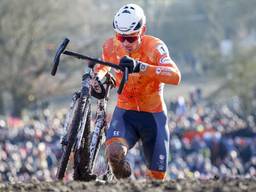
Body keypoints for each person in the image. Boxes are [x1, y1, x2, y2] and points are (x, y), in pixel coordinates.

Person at [94, 3, 181, 180]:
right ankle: (125, 181)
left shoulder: (155, 47)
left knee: (156, 178)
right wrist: (98, 79)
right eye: (121, 37)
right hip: (125, 113)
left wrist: (141, 67)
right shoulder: (111, 46)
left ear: (143, 30)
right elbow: (101, 68)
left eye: (131, 38)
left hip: (153, 116)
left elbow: (175, 76)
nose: (125, 43)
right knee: (113, 154)